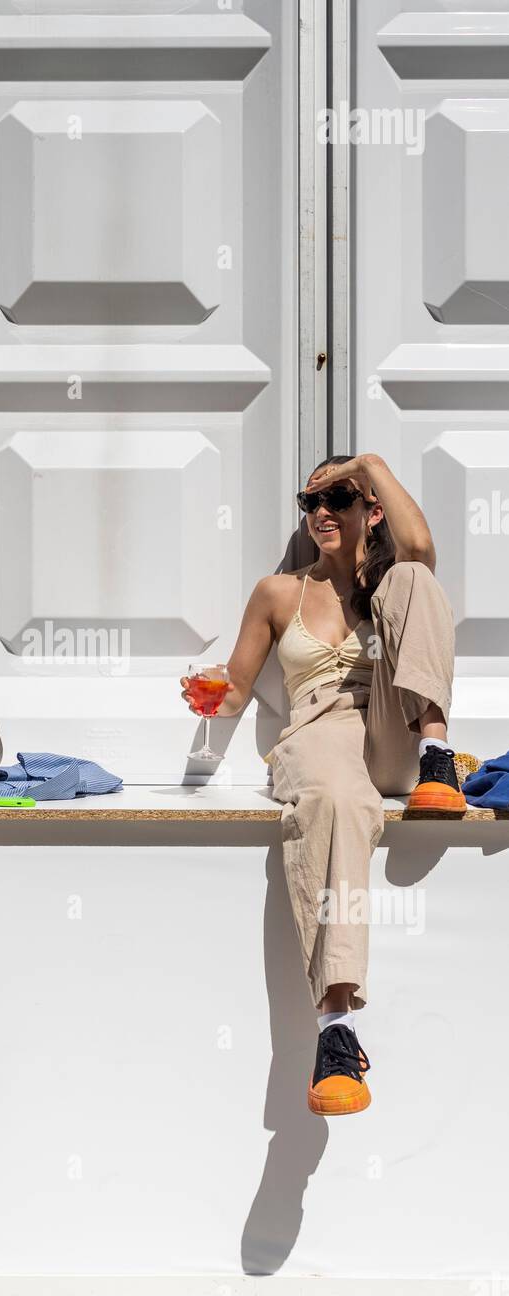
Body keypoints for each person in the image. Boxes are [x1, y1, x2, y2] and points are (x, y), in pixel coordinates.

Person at [182, 453, 463, 1116]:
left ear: (371, 509)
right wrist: (208, 693)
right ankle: (338, 1032)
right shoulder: (279, 592)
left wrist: (369, 465)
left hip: (394, 727)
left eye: (340, 498)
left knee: (416, 577)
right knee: (332, 803)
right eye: (310, 503)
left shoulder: (393, 580)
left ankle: (440, 754)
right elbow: (238, 690)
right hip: (317, 732)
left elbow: (418, 543)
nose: (322, 513)